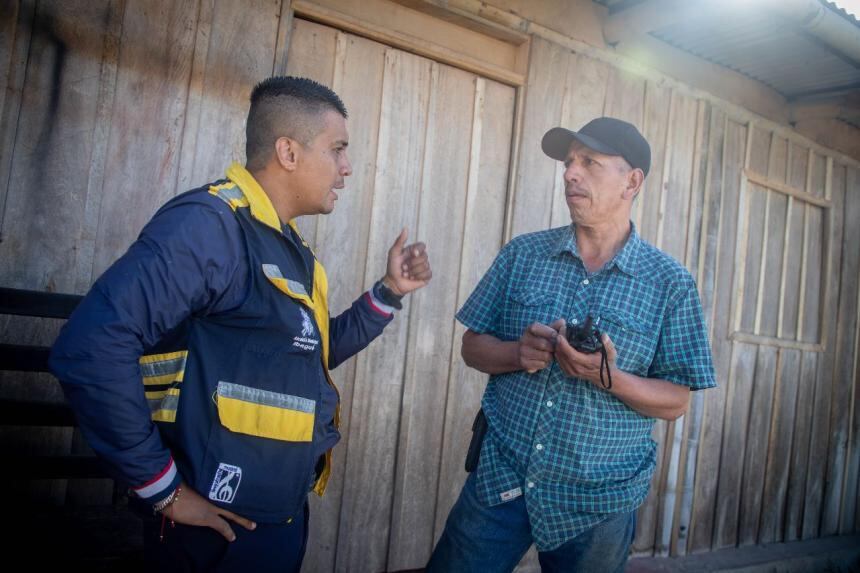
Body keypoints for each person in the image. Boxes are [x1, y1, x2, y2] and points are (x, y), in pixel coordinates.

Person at [49, 76, 432, 572]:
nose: (347, 168)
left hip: (277, 518)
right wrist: (161, 488)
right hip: (211, 531)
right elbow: (90, 346)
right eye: (337, 149)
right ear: (288, 153)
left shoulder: (292, 248)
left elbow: (302, 353)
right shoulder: (210, 226)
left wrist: (387, 294)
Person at [427, 117, 715, 573]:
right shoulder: (522, 254)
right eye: (568, 162)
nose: (570, 173)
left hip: (599, 501)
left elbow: (677, 400)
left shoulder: (670, 284)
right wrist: (516, 354)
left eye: (589, 163)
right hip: (503, 478)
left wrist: (607, 377)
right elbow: (471, 347)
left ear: (632, 181)